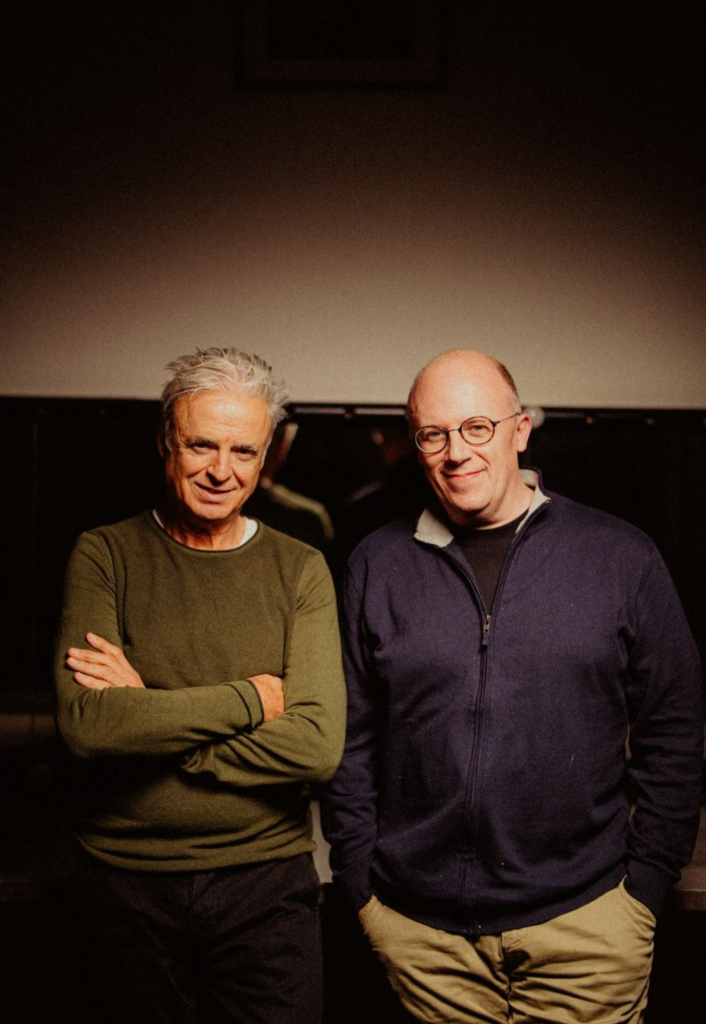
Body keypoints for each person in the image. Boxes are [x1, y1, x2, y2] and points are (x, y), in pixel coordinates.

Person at [320, 349, 703, 1024]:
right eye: (433, 435)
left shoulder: (619, 555)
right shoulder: (377, 564)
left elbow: (674, 726)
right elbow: (349, 736)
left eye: (477, 427)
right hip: (421, 935)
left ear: (520, 430)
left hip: (587, 926)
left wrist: (644, 887)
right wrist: (360, 884)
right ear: (415, 446)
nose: (455, 453)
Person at [54, 347, 346, 1024]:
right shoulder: (103, 554)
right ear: (165, 443)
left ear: (268, 455)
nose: (221, 471)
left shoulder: (301, 569)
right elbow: (90, 728)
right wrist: (251, 699)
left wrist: (152, 715)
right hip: (123, 888)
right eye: (201, 446)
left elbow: (317, 748)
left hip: (266, 888)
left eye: (243, 451)